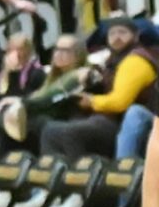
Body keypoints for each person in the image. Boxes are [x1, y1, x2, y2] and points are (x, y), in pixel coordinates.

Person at [42, 16, 156, 160]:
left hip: (134, 120)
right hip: (110, 119)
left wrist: (91, 101)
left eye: (122, 32)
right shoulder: (112, 61)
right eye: (112, 33)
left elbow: (120, 102)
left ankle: (93, 174)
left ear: (135, 36)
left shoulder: (135, 60)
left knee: (71, 132)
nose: (117, 37)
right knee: (49, 130)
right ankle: (53, 174)